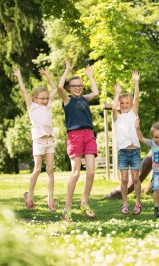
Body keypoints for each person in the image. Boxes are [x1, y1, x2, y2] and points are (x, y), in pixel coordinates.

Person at [58, 59, 99, 220]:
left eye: (80, 86)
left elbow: (95, 93)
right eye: (75, 86)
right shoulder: (68, 100)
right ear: (70, 88)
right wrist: (67, 70)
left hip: (89, 135)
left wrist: (90, 76)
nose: (78, 88)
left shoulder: (84, 99)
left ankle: (84, 203)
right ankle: (67, 207)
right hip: (74, 136)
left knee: (90, 172)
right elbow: (59, 87)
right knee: (75, 173)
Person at [12, 67, 57, 212]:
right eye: (41, 98)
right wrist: (19, 76)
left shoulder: (48, 105)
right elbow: (24, 91)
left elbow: (55, 88)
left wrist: (47, 75)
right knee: (37, 168)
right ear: (34, 98)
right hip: (38, 141)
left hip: (49, 141)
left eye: (46, 98)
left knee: (50, 170)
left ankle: (50, 198)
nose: (45, 100)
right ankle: (29, 196)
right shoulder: (32, 107)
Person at [112, 71, 142, 215]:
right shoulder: (117, 117)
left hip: (135, 150)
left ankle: (138, 203)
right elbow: (113, 107)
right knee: (124, 179)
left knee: (135, 178)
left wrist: (136, 81)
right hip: (123, 152)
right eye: (122, 103)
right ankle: (125, 205)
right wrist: (117, 94)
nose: (124, 105)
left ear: (130, 104)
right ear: (119, 105)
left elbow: (136, 97)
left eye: (127, 103)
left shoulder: (133, 114)